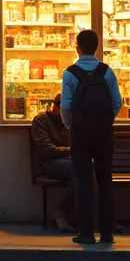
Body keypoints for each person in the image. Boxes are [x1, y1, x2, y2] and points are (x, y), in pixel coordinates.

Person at [62, 29, 122, 245]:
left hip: (80, 135)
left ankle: (86, 233)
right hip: (103, 135)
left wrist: (71, 125)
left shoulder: (70, 73)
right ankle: (107, 233)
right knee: (106, 181)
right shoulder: (106, 72)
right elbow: (117, 102)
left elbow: (66, 105)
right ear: (97, 47)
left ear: (77, 46)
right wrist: (106, 120)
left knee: (83, 182)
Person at [31, 93, 76, 233]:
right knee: (78, 169)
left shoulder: (70, 123)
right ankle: (62, 213)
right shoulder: (41, 120)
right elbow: (45, 149)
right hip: (47, 164)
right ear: (56, 106)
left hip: (67, 163)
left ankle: (98, 217)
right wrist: (70, 151)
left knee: (89, 170)